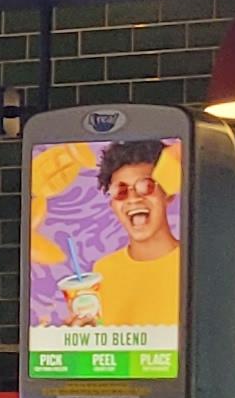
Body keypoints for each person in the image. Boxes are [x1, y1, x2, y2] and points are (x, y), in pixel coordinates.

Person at [73, 138, 181, 331]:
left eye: (146, 186)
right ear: (112, 204)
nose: (133, 199)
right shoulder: (103, 270)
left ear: (168, 195)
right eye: (120, 191)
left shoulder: (195, 263)